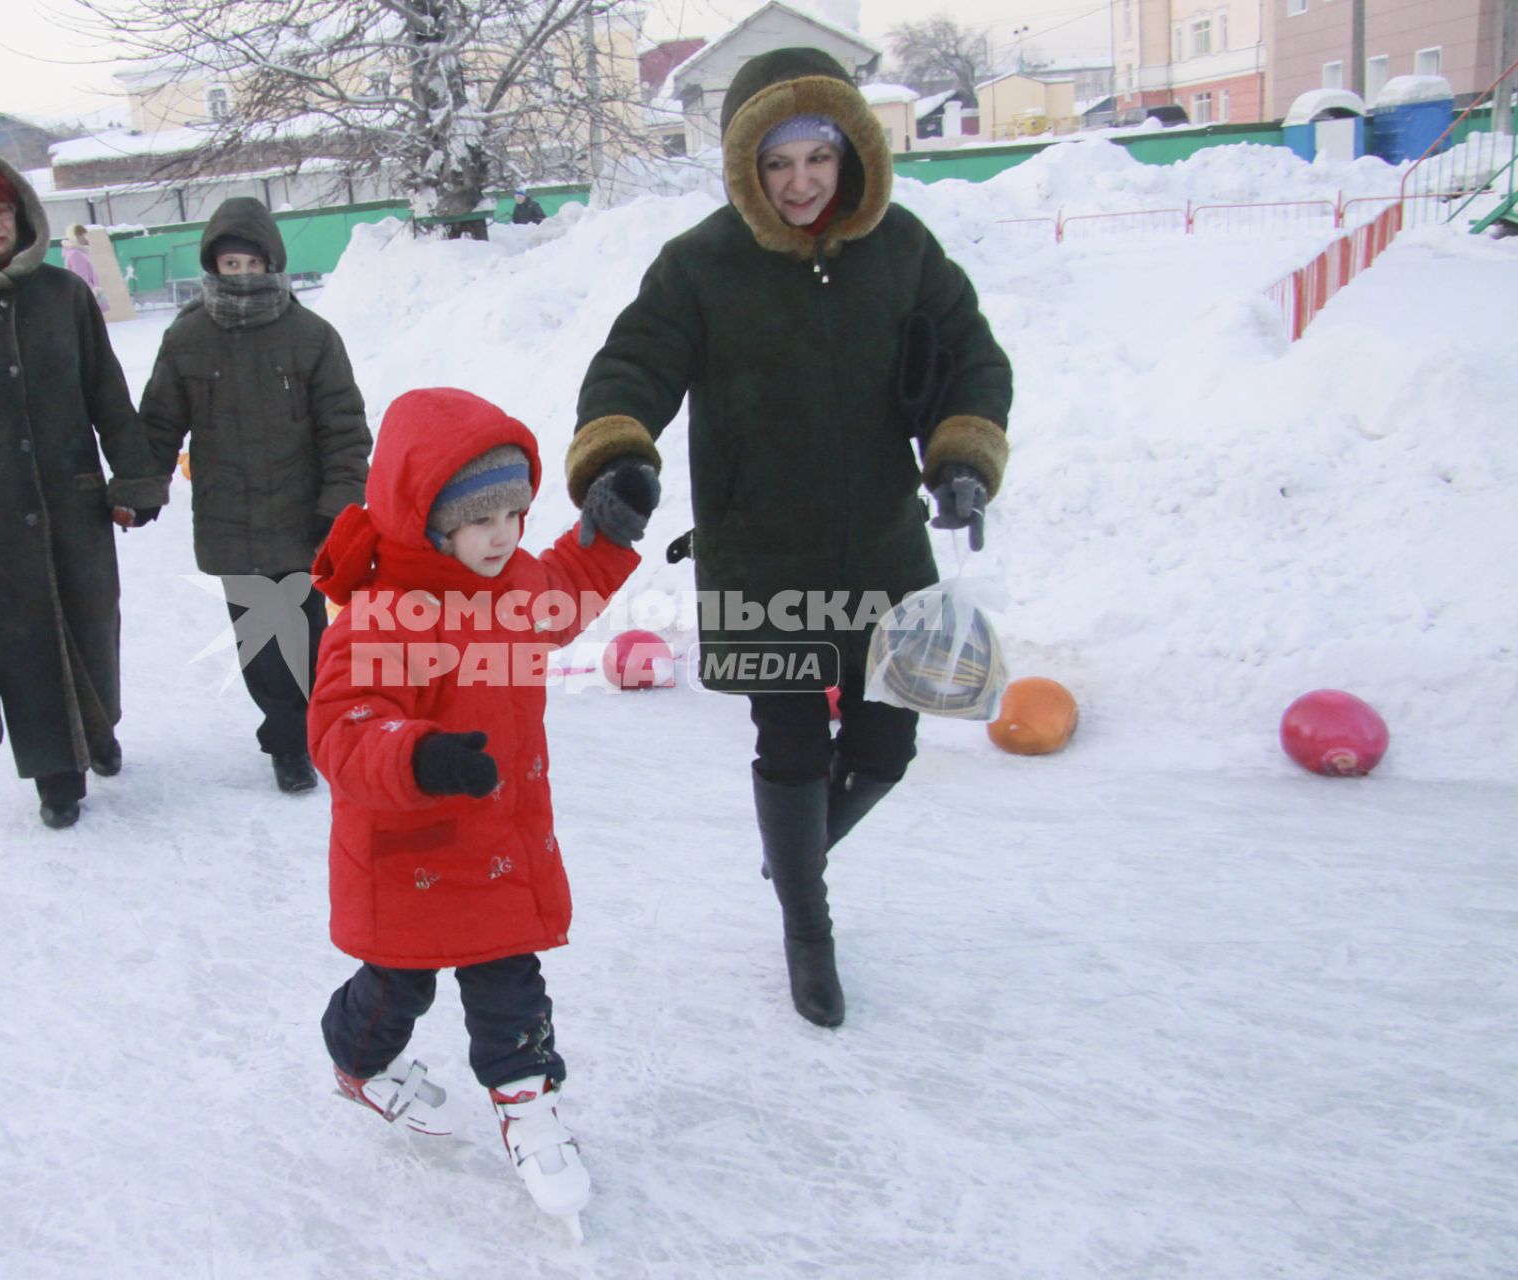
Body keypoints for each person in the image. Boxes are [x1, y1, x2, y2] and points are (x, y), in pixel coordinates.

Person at [568, 47, 1013, 1027]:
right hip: (761, 542)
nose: (801, 182)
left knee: (889, 741)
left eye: (817, 157)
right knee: (795, 739)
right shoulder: (702, 264)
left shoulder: (902, 251)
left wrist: (963, 455)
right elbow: (633, 363)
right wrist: (618, 456)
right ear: (747, 168)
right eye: (777, 164)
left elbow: (968, 356)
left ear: (851, 151)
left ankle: (794, 850)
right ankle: (808, 929)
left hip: (886, 542)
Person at [307, 386, 652, 1232]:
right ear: (427, 519)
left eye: (516, 514)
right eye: (481, 518)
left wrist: (605, 535)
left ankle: (530, 1111)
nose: (504, 536)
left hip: (496, 843)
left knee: (512, 990)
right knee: (398, 989)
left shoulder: (515, 581)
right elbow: (345, 727)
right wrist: (417, 753)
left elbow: (564, 587)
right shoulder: (381, 618)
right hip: (412, 853)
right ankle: (356, 1061)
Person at [0, 155, 172, 829]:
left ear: (22, 216)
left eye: (1, 211)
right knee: (23, 644)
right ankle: (56, 775)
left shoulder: (64, 294)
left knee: (92, 624)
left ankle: (99, 727)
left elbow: (106, 392)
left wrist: (137, 478)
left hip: (74, 500)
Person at [139, 197, 370, 794]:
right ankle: (288, 741)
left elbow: (344, 431)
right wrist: (139, 486)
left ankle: (322, 726)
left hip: (301, 518)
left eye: (250, 263)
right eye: (229, 265)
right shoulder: (188, 337)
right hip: (230, 520)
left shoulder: (312, 337)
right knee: (262, 645)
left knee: (310, 633)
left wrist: (337, 509)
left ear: (272, 263)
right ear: (214, 268)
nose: (240, 275)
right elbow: (159, 424)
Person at [60, 224, 109, 315]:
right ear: (74, 237)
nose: (83, 237)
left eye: (83, 234)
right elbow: (83, 278)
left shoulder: (77, 252)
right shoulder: (76, 254)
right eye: (80, 235)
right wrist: (94, 294)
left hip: (84, 297)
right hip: (86, 299)